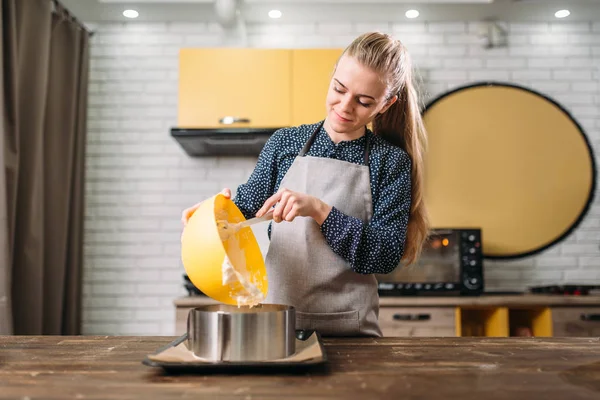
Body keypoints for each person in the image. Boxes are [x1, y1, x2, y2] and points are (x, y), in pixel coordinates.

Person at [181, 31, 429, 337]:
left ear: (386, 104)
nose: (345, 106)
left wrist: (320, 210)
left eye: (364, 101)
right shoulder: (285, 142)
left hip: (352, 331)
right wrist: (212, 215)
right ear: (332, 76)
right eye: (339, 89)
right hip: (279, 328)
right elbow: (245, 208)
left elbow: (384, 255)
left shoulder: (389, 162)